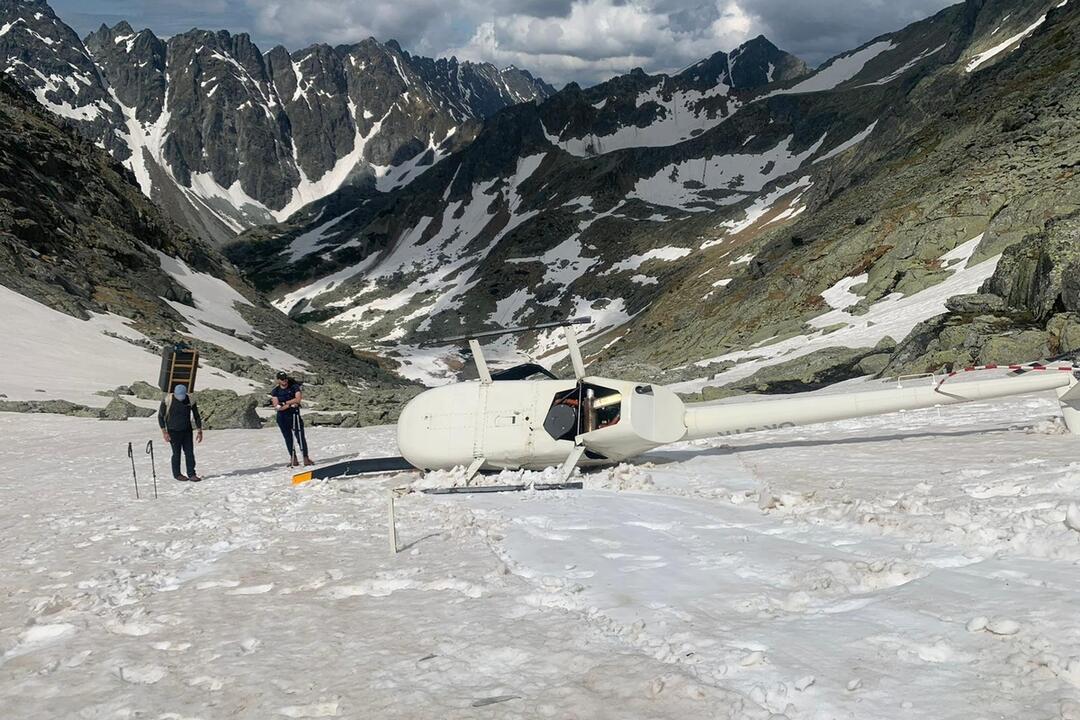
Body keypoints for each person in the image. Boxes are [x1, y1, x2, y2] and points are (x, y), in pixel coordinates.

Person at [158, 384, 203, 482]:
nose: (181, 399)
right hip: (173, 431)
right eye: (179, 396)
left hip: (187, 430)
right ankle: (177, 474)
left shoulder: (190, 400)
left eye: (182, 396)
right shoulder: (167, 400)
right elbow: (160, 416)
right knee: (176, 453)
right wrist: (164, 432)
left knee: (189, 453)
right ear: (174, 393)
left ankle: (191, 474)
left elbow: (196, 415)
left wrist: (199, 430)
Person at [271, 371, 313, 467]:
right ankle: (293, 459)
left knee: (300, 436)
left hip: (294, 414)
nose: (284, 380)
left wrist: (284, 403)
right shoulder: (275, 391)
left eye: (285, 378)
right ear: (278, 380)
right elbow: (276, 406)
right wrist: (289, 404)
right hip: (282, 417)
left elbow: (298, 399)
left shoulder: (294, 387)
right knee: (288, 438)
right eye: (282, 379)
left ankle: (305, 457)